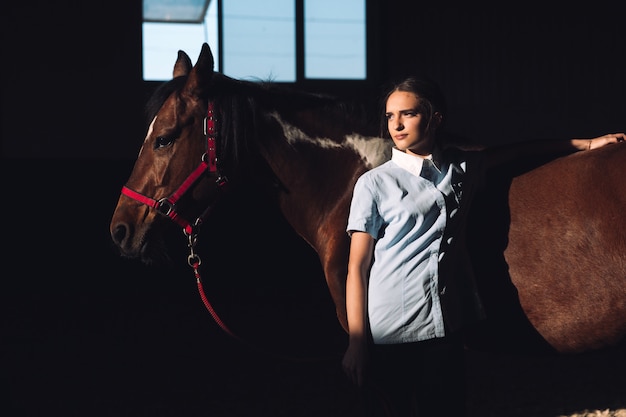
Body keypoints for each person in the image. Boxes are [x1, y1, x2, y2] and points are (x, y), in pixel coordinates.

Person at [341, 75, 625, 417]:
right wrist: (357, 342)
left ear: (435, 118)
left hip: (443, 327)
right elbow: (357, 266)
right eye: (390, 116)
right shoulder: (374, 183)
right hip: (389, 331)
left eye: (408, 114)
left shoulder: (461, 167)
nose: (396, 124)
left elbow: (519, 152)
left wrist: (584, 144)